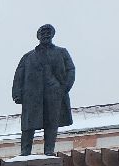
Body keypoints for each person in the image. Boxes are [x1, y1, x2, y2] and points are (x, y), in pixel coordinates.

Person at [12, 24, 75, 156]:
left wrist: (63, 89)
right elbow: (19, 75)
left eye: (48, 32)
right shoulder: (28, 57)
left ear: (52, 34)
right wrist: (17, 94)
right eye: (43, 32)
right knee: (28, 125)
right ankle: (25, 152)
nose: (45, 35)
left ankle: (49, 151)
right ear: (38, 36)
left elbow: (70, 70)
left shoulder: (61, 52)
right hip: (32, 95)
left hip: (53, 93)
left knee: (51, 122)